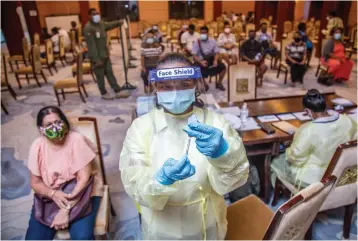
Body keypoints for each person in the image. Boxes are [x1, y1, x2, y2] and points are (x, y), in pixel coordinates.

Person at [119, 52, 249, 240]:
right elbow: (134, 185)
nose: (175, 92)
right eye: (165, 86)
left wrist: (223, 154)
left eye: (184, 85)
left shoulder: (215, 123)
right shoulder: (141, 128)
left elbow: (235, 179)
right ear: (155, 87)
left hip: (207, 223)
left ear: (196, 85)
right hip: (162, 229)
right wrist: (161, 179)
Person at [25, 106, 103, 240]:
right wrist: (53, 194)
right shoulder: (37, 146)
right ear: (41, 129)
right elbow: (35, 182)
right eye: (48, 125)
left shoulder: (76, 140)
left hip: (81, 192)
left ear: (64, 122)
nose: (55, 127)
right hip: (51, 194)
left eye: (58, 122)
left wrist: (64, 210)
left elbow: (83, 180)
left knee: (82, 237)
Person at [271, 89, 357, 190]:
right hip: (341, 172)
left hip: (314, 179)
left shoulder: (308, 130)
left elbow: (295, 159)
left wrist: (287, 148)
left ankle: (281, 191)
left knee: (276, 161)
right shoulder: (348, 121)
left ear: (307, 111)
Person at [84, 8, 128, 100]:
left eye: (97, 13)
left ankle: (117, 90)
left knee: (110, 73)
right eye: (93, 14)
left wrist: (119, 22)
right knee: (100, 76)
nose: (96, 15)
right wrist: (96, 60)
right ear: (89, 16)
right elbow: (91, 46)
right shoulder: (88, 28)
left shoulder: (101, 24)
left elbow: (110, 25)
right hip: (97, 57)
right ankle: (103, 93)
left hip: (105, 54)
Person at [192, 26, 227, 91]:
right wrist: (200, 62)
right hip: (201, 60)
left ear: (207, 33)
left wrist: (215, 60)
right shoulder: (197, 42)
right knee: (195, 69)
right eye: (201, 33)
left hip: (211, 59)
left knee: (223, 67)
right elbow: (194, 55)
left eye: (204, 33)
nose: (203, 34)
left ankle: (219, 83)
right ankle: (204, 84)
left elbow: (216, 52)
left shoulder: (212, 40)